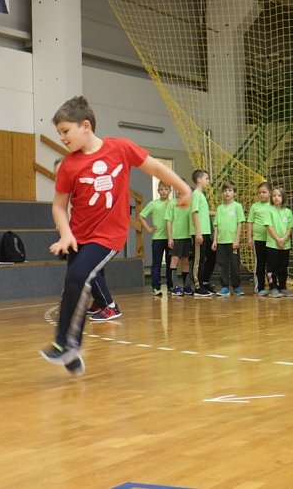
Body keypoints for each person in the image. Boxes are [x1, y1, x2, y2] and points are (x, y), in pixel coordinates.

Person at [40, 96, 191, 376]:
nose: (61, 138)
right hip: (78, 236)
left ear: (85, 126)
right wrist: (65, 234)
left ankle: (63, 343)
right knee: (73, 288)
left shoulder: (120, 148)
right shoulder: (70, 166)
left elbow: (155, 168)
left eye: (65, 131)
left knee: (78, 278)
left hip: (109, 236)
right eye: (58, 133)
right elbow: (59, 206)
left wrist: (183, 187)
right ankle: (72, 351)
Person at [54, 156, 121, 321]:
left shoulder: (87, 185)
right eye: (57, 174)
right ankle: (99, 302)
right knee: (89, 269)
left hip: (98, 235)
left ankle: (109, 306)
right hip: (78, 234)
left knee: (87, 269)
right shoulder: (65, 190)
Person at [139, 182, 173, 296]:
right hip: (158, 238)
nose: (164, 191)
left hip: (171, 238)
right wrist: (148, 228)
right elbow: (141, 216)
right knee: (156, 263)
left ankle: (171, 286)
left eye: (166, 189)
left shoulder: (173, 203)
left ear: (170, 190)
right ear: (158, 191)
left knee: (170, 263)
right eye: (161, 189)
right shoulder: (153, 204)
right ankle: (156, 287)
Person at [211, 181, 245, 296]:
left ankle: (237, 286)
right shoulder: (220, 208)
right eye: (225, 190)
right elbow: (216, 226)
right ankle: (224, 286)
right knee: (222, 265)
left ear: (234, 193)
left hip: (232, 242)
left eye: (230, 190)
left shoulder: (237, 206)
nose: (227, 193)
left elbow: (240, 223)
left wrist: (237, 240)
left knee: (235, 265)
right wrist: (215, 240)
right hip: (221, 242)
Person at [263, 187, 293, 297]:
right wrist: (277, 239)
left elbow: (290, 227)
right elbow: (269, 226)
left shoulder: (288, 212)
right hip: (272, 245)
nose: (276, 198)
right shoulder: (269, 210)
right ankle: (273, 288)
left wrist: (284, 239)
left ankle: (282, 287)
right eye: (274, 195)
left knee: (283, 266)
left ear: (283, 197)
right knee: (272, 267)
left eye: (279, 195)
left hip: (285, 246)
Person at [191, 169, 216, 297]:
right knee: (198, 260)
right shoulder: (196, 194)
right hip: (200, 233)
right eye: (206, 178)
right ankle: (197, 286)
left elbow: (204, 213)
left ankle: (204, 281)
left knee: (211, 256)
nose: (208, 181)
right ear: (199, 180)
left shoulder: (202, 196)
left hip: (206, 232)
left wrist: (219, 212)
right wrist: (198, 233)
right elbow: (194, 213)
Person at [166, 187, 194, 296]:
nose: (179, 191)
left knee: (185, 261)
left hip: (187, 237)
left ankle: (186, 285)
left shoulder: (189, 204)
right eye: (177, 188)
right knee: (174, 260)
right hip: (176, 237)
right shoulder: (172, 204)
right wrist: (170, 237)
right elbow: (169, 221)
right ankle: (174, 286)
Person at [247, 181, 272, 296]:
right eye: (259, 193)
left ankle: (273, 286)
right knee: (260, 264)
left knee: (271, 264)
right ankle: (260, 287)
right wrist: (249, 238)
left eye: (264, 192)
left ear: (270, 193)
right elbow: (250, 223)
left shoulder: (273, 206)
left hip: (272, 240)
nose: (261, 194)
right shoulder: (255, 206)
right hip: (258, 240)